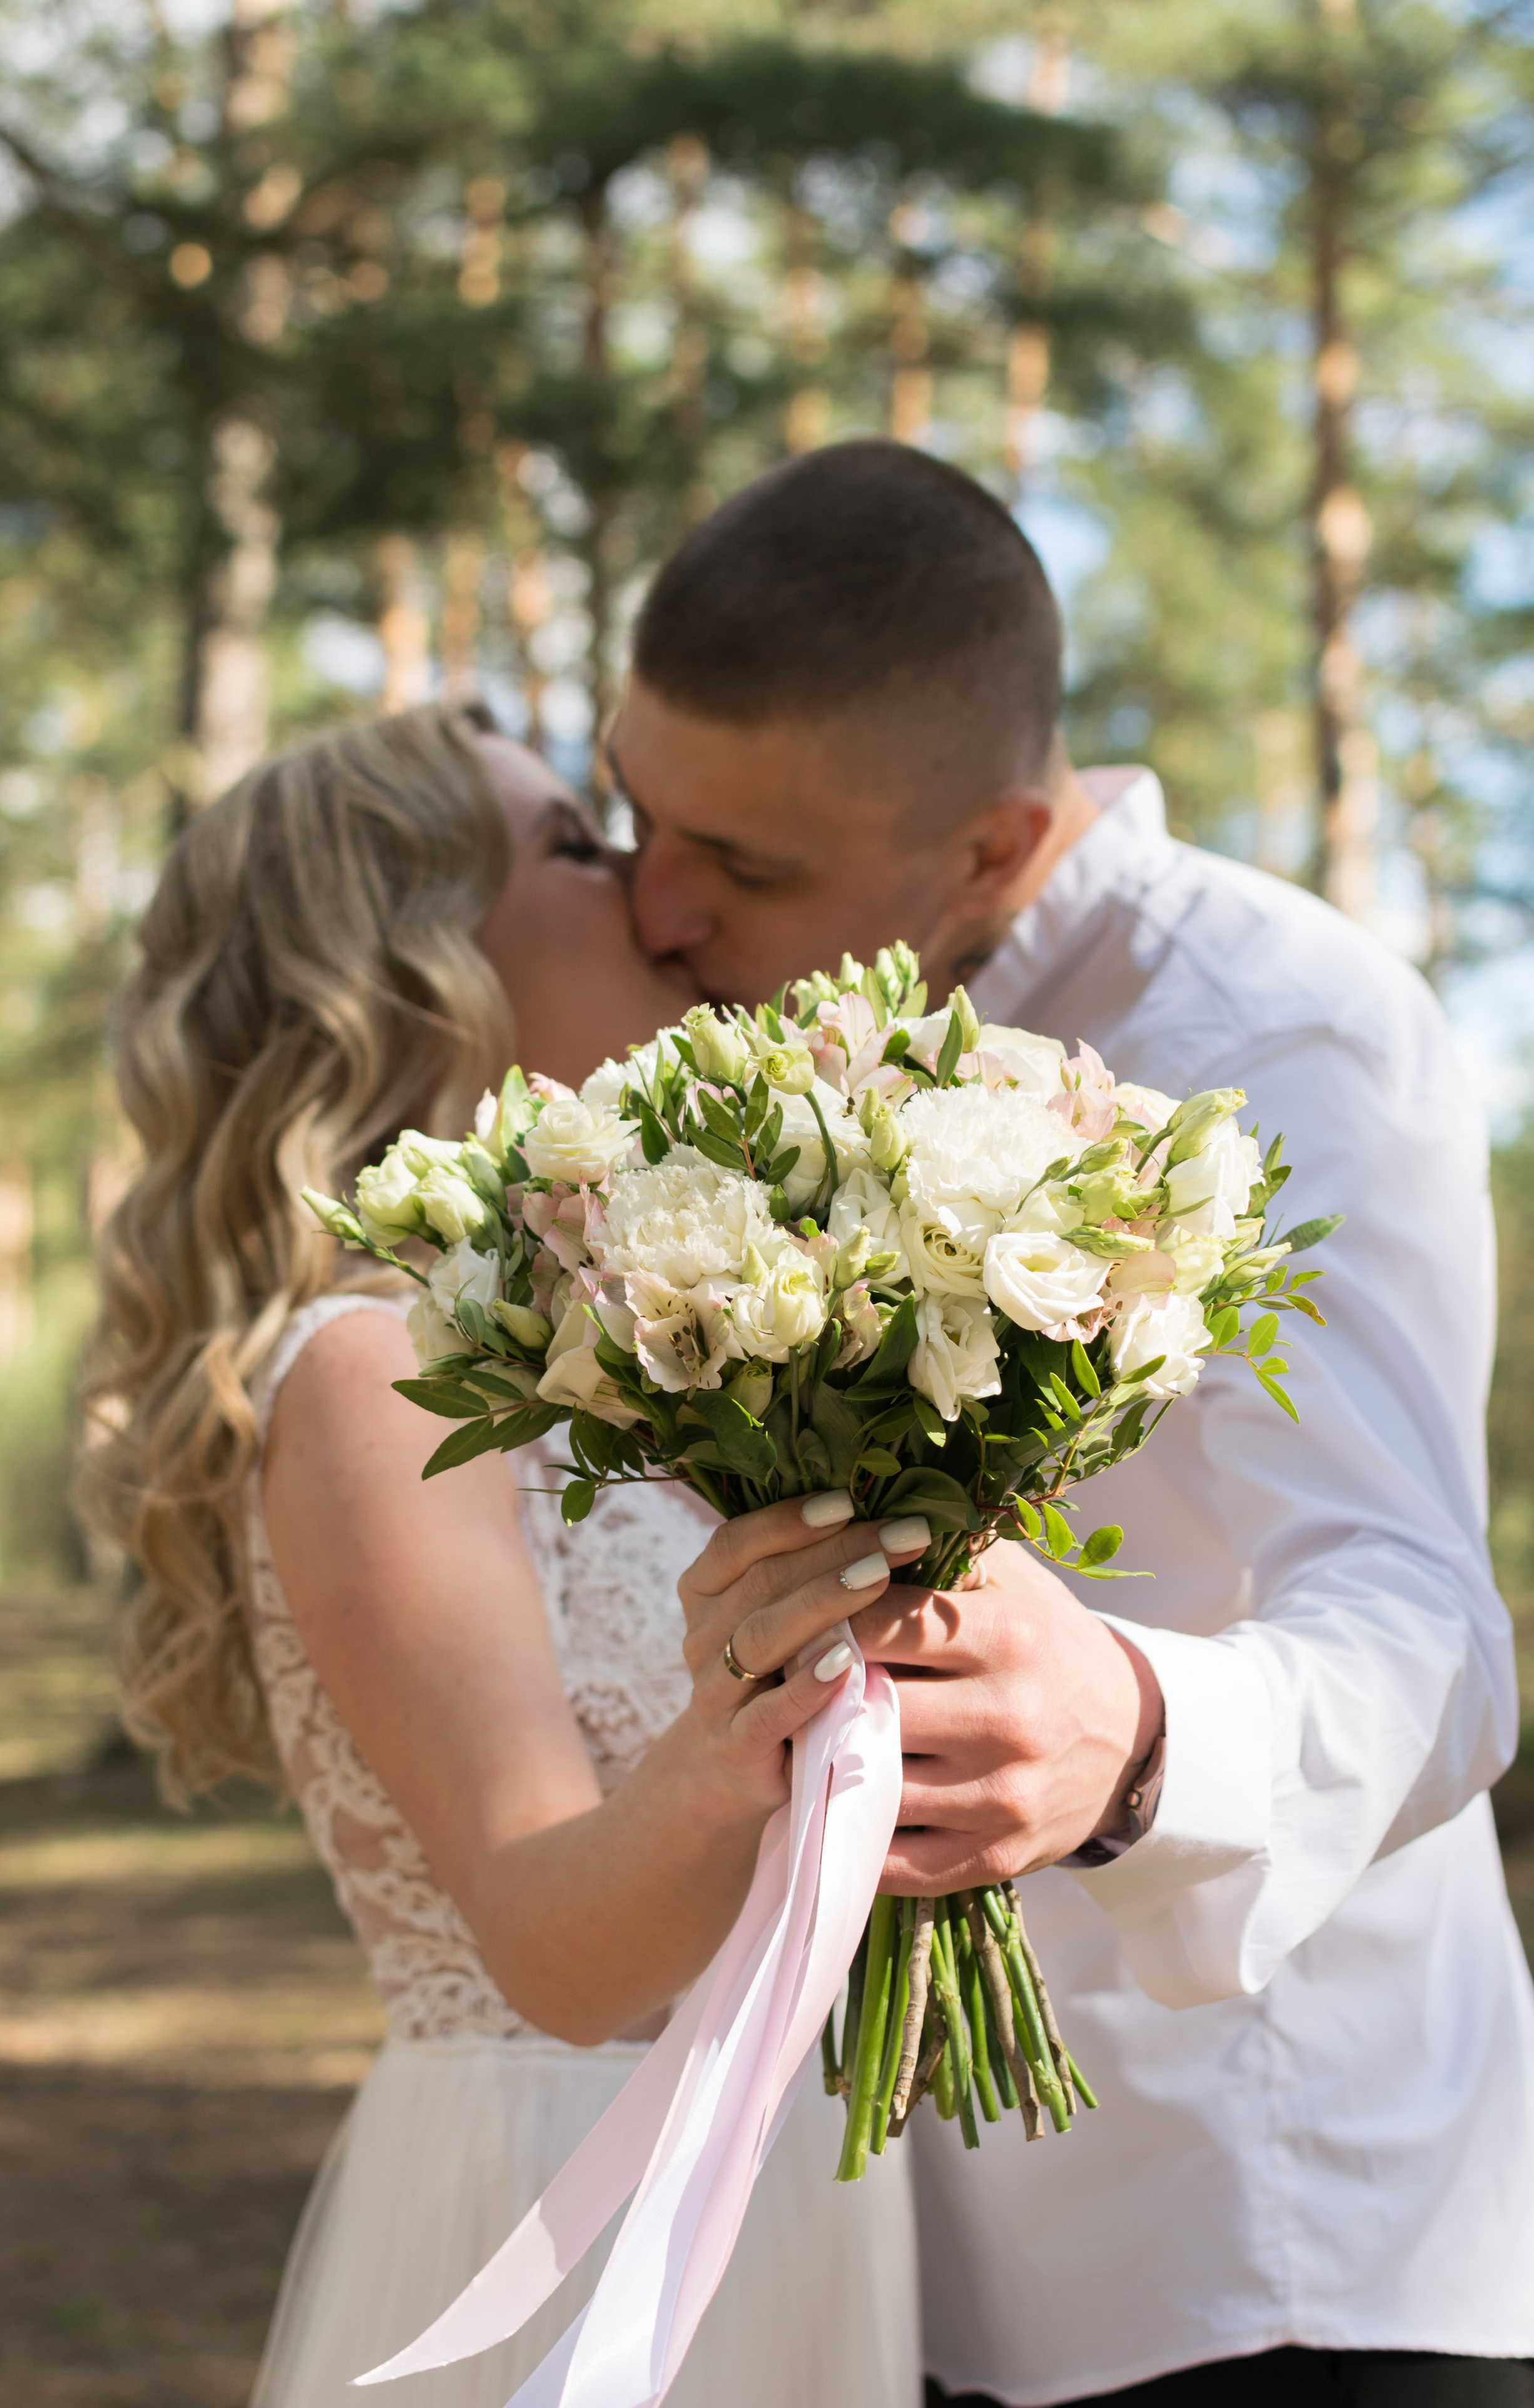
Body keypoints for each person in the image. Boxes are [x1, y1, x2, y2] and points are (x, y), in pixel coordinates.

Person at [604, 440, 1534, 2405]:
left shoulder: (1285, 1031)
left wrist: (1132, 1734)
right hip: (893, 2250)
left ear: (995, 844)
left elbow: (1428, 1630)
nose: (659, 911)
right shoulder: (764, 1050)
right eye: (633, 819)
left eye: (748, 865)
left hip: (1260, 2249)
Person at [76, 702, 925, 2408]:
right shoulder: (377, 1371)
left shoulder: (623, 1348)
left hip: (767, 2183)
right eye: (574, 848)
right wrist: (759, 1706)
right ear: (411, 963)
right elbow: (552, 1940)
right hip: (565, 2211)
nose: (646, 892)